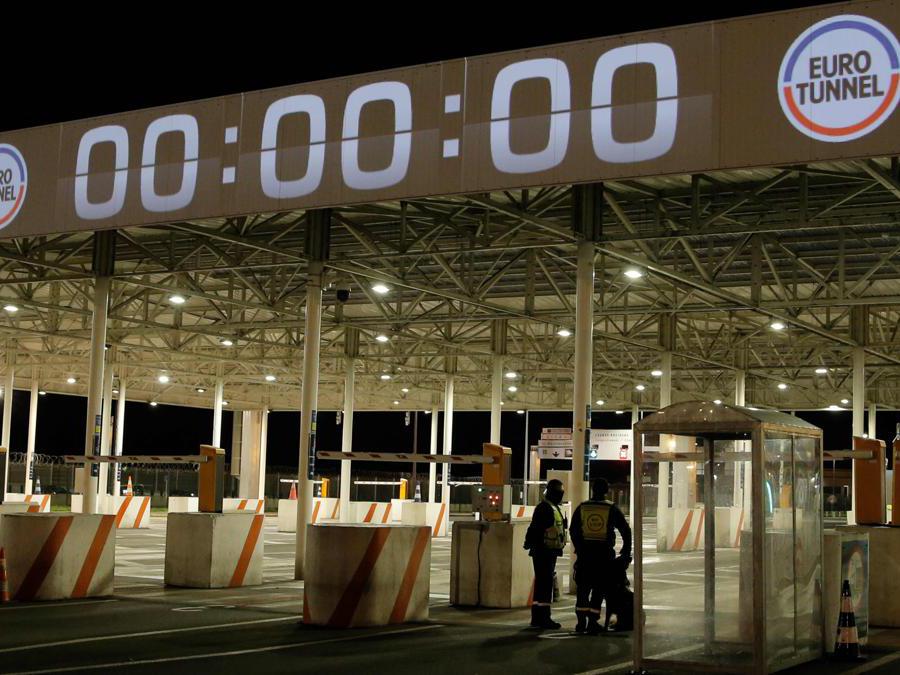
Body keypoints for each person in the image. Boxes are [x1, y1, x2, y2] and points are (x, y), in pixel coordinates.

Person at [569, 477, 632, 635]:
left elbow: (573, 530)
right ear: (606, 491)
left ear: (592, 489)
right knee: (599, 590)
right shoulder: (611, 508)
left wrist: (580, 547)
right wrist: (625, 551)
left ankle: (580, 623)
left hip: (585, 556)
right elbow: (626, 530)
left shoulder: (582, 507)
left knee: (583, 589)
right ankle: (592, 622)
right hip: (604, 557)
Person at [524, 478, 567, 629]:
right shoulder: (546, 508)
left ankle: (538, 617)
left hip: (546, 551)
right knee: (544, 584)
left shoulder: (550, 507)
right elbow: (536, 528)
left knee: (542, 584)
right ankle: (543, 618)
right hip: (544, 551)